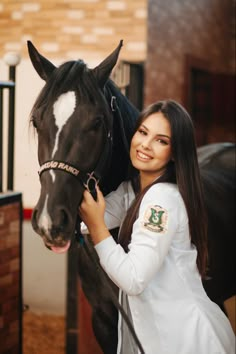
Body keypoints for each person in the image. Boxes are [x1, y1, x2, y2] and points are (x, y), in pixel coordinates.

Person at [79, 100, 235, 354]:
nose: (145, 145)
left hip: (187, 341)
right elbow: (91, 216)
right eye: (143, 132)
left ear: (175, 152)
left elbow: (133, 279)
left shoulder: (161, 200)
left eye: (161, 141)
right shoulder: (134, 191)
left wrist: (98, 229)